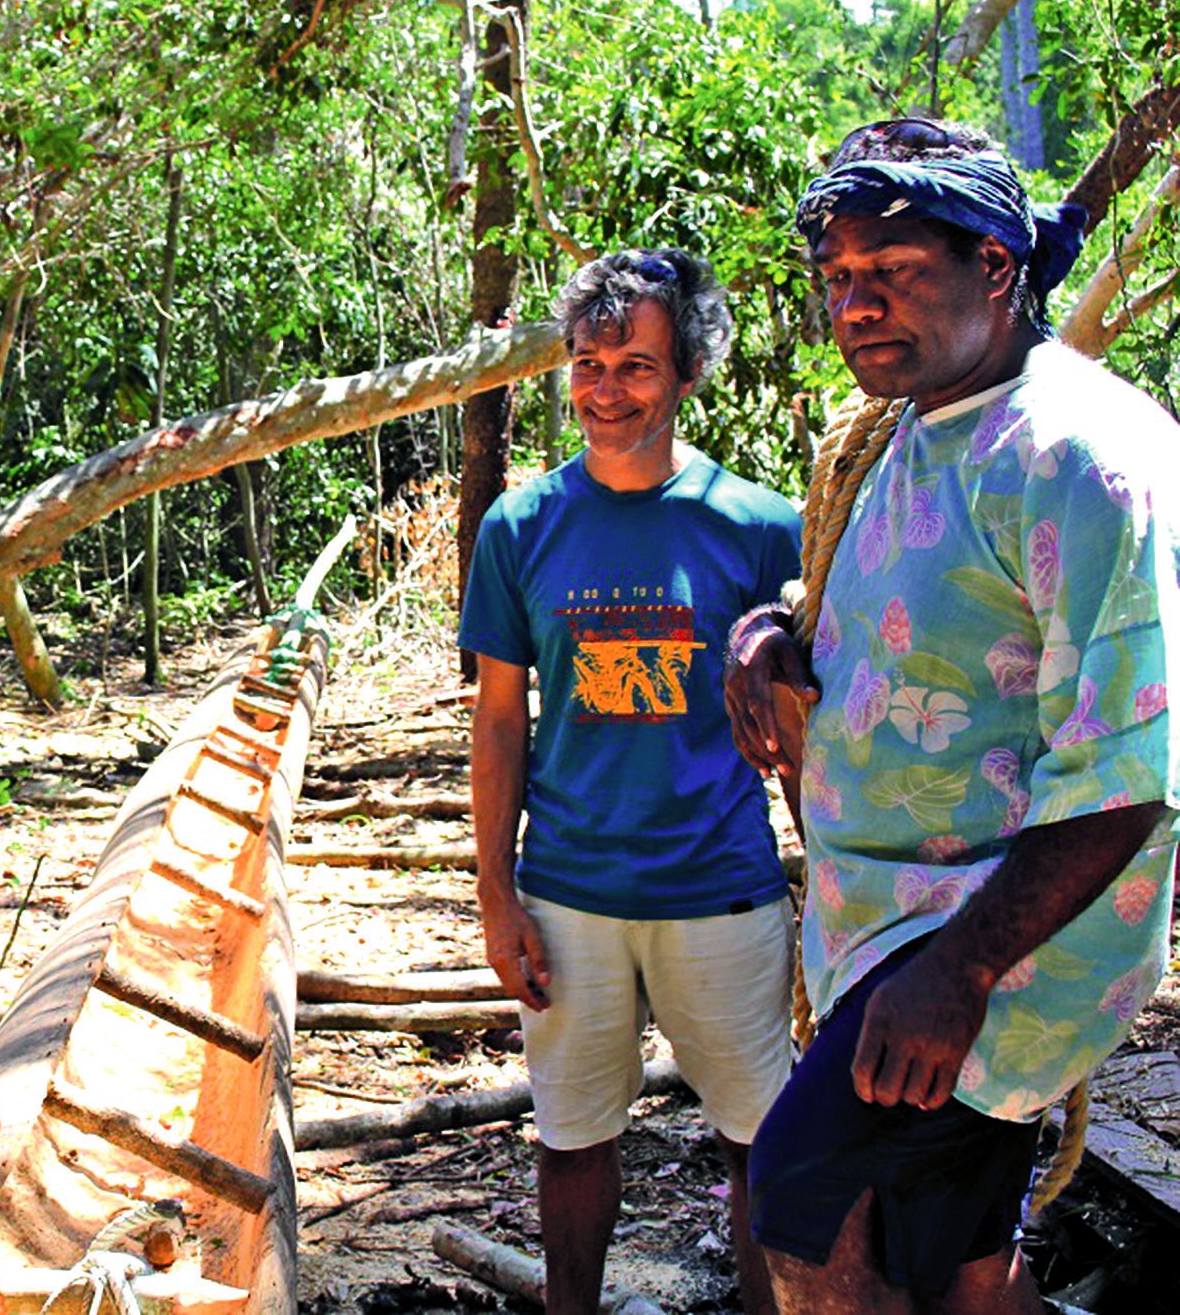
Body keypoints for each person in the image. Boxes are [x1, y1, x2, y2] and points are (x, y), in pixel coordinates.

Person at [725, 119, 1180, 1314]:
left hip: (981, 939)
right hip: (888, 923)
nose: (854, 306)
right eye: (836, 279)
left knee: (804, 1209)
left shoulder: (1081, 457)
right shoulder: (914, 424)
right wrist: (769, 632)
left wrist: (961, 970)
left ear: (992, 265)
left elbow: (1129, 767)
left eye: (890, 271)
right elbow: (902, 608)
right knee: (957, 1264)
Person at [463, 249, 801, 1315]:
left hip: (723, 889)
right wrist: (495, 895)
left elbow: (804, 724)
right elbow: (498, 721)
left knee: (762, 1143)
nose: (605, 391)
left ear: (687, 373)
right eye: (587, 364)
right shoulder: (518, 528)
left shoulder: (760, 528)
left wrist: (833, 884)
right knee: (570, 1139)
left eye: (635, 367)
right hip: (568, 896)